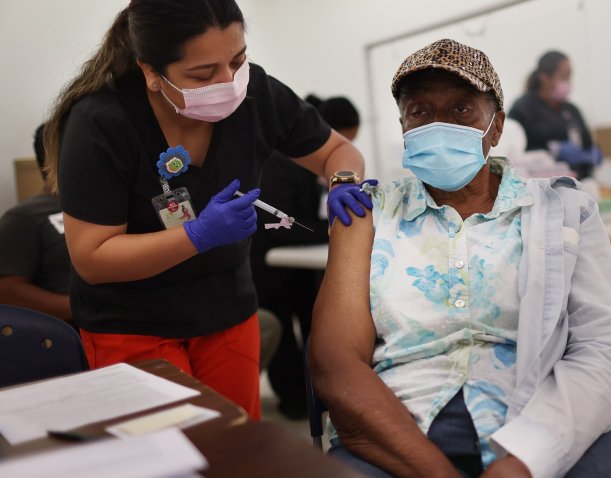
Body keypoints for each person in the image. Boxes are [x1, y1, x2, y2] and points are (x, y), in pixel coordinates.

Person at [310, 39, 611, 478]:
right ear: (403, 124)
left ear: (495, 127)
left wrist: (522, 463)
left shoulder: (562, 210)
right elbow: (336, 361)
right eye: (420, 111)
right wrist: (436, 473)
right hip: (401, 427)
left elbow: (606, 349)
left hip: (547, 420)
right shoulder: (368, 214)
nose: (438, 124)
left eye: (462, 110)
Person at [42, 0, 372, 421]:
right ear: (150, 71)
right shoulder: (101, 122)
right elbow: (92, 257)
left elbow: (337, 150)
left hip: (227, 313)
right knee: (169, 455)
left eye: (238, 61)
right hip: (131, 323)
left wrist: (343, 181)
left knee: (235, 448)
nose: (229, 82)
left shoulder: (257, 95)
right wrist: (196, 235)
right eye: (203, 74)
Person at [250, 94, 360, 418]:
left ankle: (315, 394)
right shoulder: (280, 163)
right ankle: (297, 400)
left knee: (315, 326)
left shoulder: (298, 165)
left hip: (293, 264)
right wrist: (327, 226)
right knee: (281, 332)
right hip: (269, 263)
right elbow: (279, 223)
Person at [0, 125, 72, 322]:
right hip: (71, 337)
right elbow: (7, 290)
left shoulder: (105, 209)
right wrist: (85, 309)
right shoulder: (24, 217)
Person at [508, 50, 600, 179]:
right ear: (544, 77)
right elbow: (513, 150)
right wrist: (552, 150)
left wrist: (591, 154)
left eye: (569, 76)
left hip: (577, 181)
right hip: (539, 184)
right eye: (564, 76)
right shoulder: (523, 108)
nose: (568, 82)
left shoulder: (571, 110)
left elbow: (586, 142)